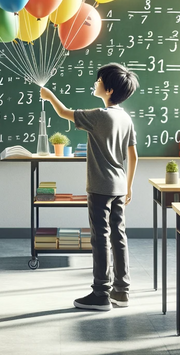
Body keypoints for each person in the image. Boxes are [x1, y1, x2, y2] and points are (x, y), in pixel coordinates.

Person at [40, 62, 139, 311]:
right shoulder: (125, 118)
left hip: (99, 186)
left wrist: (49, 95)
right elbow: (133, 156)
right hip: (119, 186)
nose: (95, 83)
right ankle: (122, 291)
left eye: (99, 80)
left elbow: (63, 112)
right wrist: (129, 187)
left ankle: (100, 294)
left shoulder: (99, 116)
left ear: (109, 90)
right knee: (119, 236)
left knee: (100, 238)